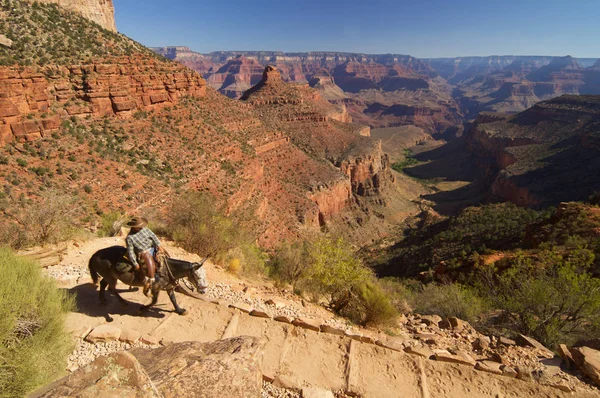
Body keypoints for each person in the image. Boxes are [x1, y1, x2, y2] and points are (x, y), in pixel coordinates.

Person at [125, 217, 167, 297]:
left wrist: (159, 245)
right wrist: (135, 263)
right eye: (138, 226)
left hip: (153, 247)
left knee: (165, 257)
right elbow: (130, 251)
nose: (141, 227)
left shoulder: (145, 229)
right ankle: (149, 282)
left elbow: (153, 236)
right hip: (143, 252)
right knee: (148, 263)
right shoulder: (130, 237)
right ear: (133, 227)